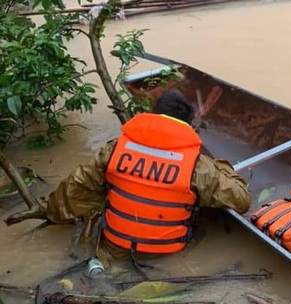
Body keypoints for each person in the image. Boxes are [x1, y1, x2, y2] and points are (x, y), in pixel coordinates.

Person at [6, 90, 251, 257]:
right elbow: (241, 199)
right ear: (187, 125)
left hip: (114, 247)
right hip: (168, 252)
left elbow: (75, 190)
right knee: (206, 210)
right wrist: (219, 166)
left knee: (100, 194)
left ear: (153, 115)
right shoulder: (199, 166)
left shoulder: (116, 149)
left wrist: (49, 211)